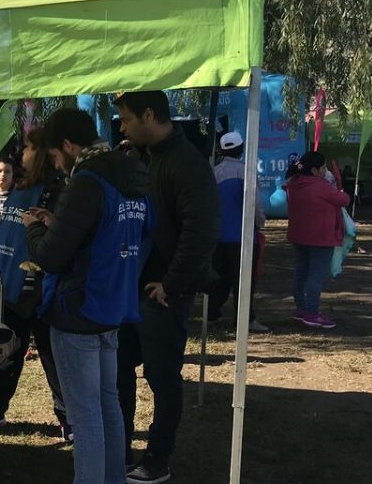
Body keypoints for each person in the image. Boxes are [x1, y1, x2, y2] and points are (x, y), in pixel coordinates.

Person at [25, 108, 154, 484]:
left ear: (67, 145)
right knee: (108, 404)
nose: (55, 163)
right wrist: (59, 223)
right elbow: (128, 232)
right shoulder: (129, 170)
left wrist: (34, 229)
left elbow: (50, 256)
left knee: (85, 416)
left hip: (77, 309)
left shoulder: (86, 180)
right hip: (112, 305)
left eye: (53, 156)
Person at [114, 91, 219, 484]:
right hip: (131, 286)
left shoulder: (186, 162)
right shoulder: (142, 157)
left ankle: (158, 457)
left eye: (126, 119)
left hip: (162, 292)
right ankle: (119, 446)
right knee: (119, 367)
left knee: (162, 377)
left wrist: (171, 284)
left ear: (149, 114)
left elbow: (202, 229)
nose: (122, 128)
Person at [0, 131, 70, 440]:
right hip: (10, 288)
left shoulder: (58, 191)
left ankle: (68, 418)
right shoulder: (18, 190)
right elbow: (4, 236)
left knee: (53, 357)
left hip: (41, 289)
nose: (20, 154)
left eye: (26, 148)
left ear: (39, 153)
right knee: (8, 352)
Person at [208, 132, 269, 333]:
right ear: (242, 149)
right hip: (243, 236)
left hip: (217, 236)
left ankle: (212, 313)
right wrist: (260, 222)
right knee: (244, 280)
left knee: (220, 276)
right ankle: (245, 319)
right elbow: (255, 205)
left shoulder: (213, 173)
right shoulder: (246, 172)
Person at [285, 151, 350, 328]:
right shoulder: (321, 186)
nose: (325, 170)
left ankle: (302, 308)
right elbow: (343, 199)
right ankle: (312, 313)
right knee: (316, 276)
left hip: (299, 236)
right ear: (315, 170)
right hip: (321, 237)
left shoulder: (293, 183)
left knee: (301, 273)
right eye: (323, 167)